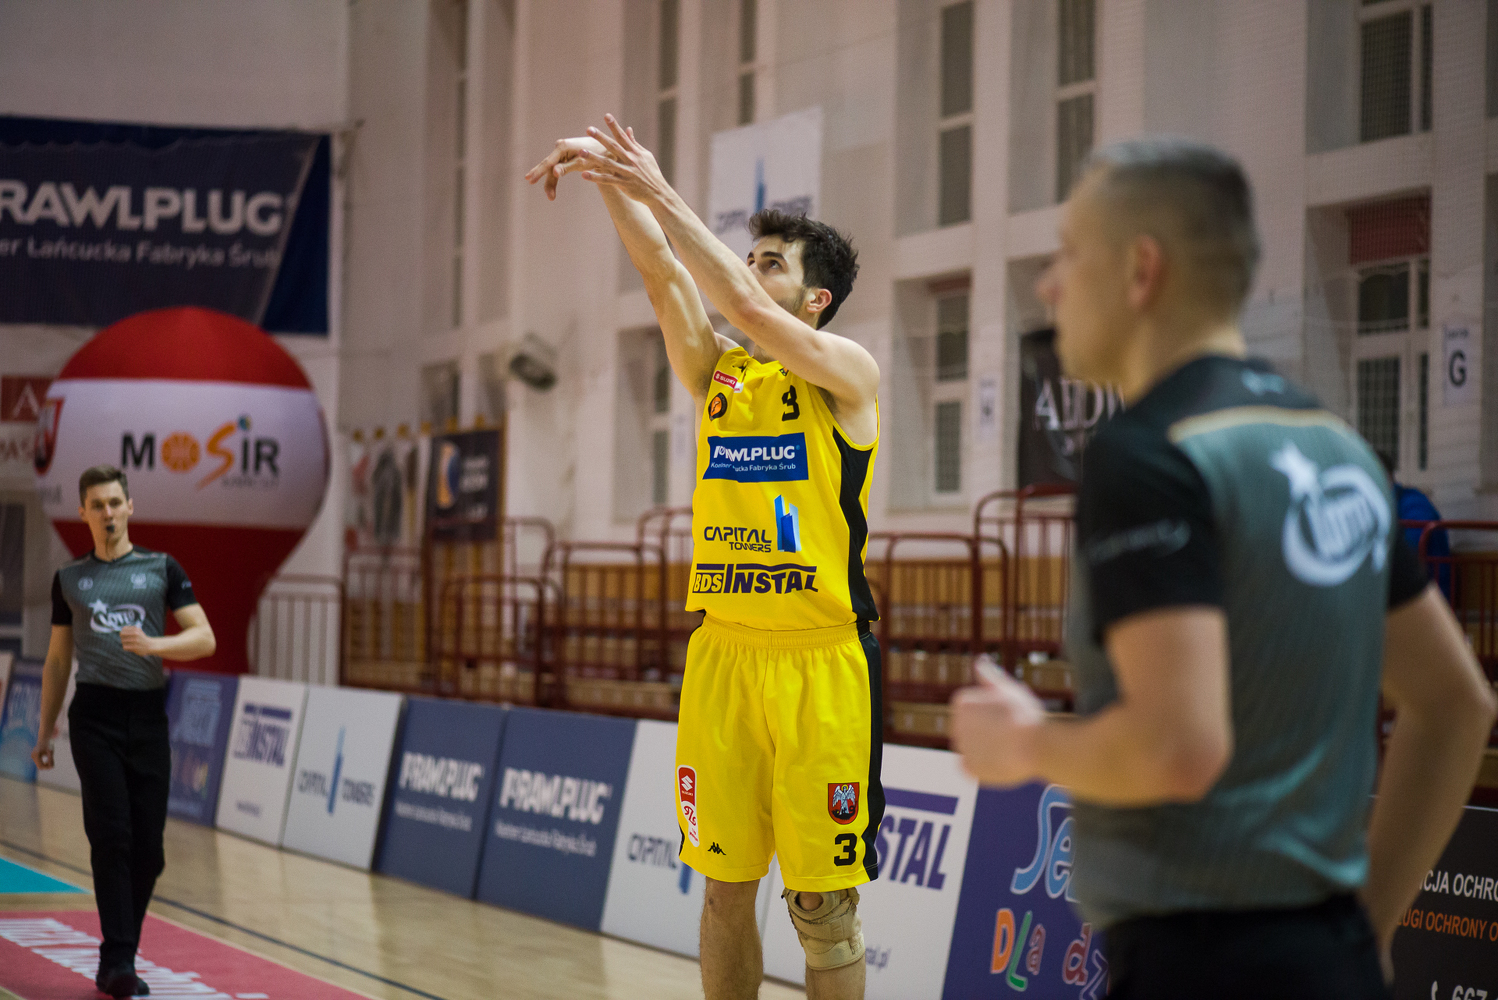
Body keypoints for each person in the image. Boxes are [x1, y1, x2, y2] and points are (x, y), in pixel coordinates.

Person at [949, 139, 1496, 998]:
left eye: (1068, 254)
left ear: (1141, 270)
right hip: (1333, 962)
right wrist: (1373, 925)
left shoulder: (1146, 453)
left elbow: (1178, 748)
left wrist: (1021, 743)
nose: (1049, 287)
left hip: (1200, 964)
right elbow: (1456, 706)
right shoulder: (1340, 448)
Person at [528, 116, 881, 1000]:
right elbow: (662, 272)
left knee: (822, 910)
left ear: (816, 300)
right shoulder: (723, 377)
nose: (752, 273)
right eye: (749, 257)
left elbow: (746, 309)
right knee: (725, 891)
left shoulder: (849, 375)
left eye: (771, 263)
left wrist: (656, 186)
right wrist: (610, 177)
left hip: (819, 664)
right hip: (723, 655)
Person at [32, 465, 216, 998]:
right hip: (94, 716)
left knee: (149, 851)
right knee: (111, 835)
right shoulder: (70, 578)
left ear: (130, 507)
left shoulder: (161, 569)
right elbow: (58, 660)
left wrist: (155, 645)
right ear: (83, 512)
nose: (108, 513)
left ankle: (119, 954)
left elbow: (204, 637)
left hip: (147, 716)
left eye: (115, 502)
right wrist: (44, 732)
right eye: (97, 505)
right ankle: (117, 963)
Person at [1377, 450, 1453, 601]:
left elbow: (1410, 547)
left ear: (1384, 475)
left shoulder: (1413, 502)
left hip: (1427, 597)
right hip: (1413, 596)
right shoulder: (1390, 502)